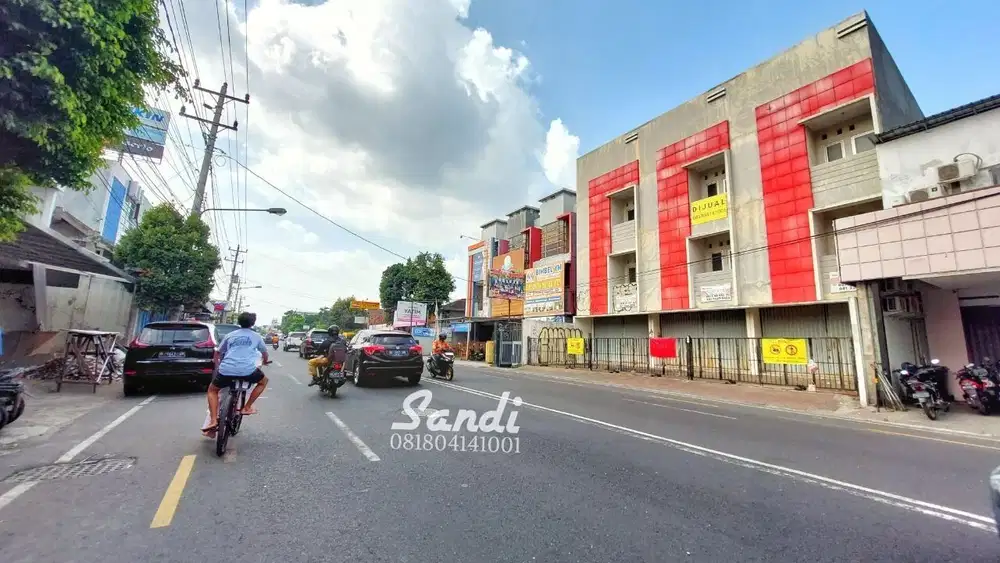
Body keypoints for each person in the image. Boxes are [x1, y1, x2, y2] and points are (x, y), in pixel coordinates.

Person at [201, 312, 270, 437]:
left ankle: (213, 420)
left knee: (212, 390)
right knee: (263, 381)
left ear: (239, 322)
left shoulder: (230, 335)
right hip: (247, 371)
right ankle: (247, 407)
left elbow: (218, 352)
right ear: (253, 323)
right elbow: (264, 353)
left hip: (226, 370)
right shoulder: (256, 336)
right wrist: (265, 361)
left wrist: (219, 365)